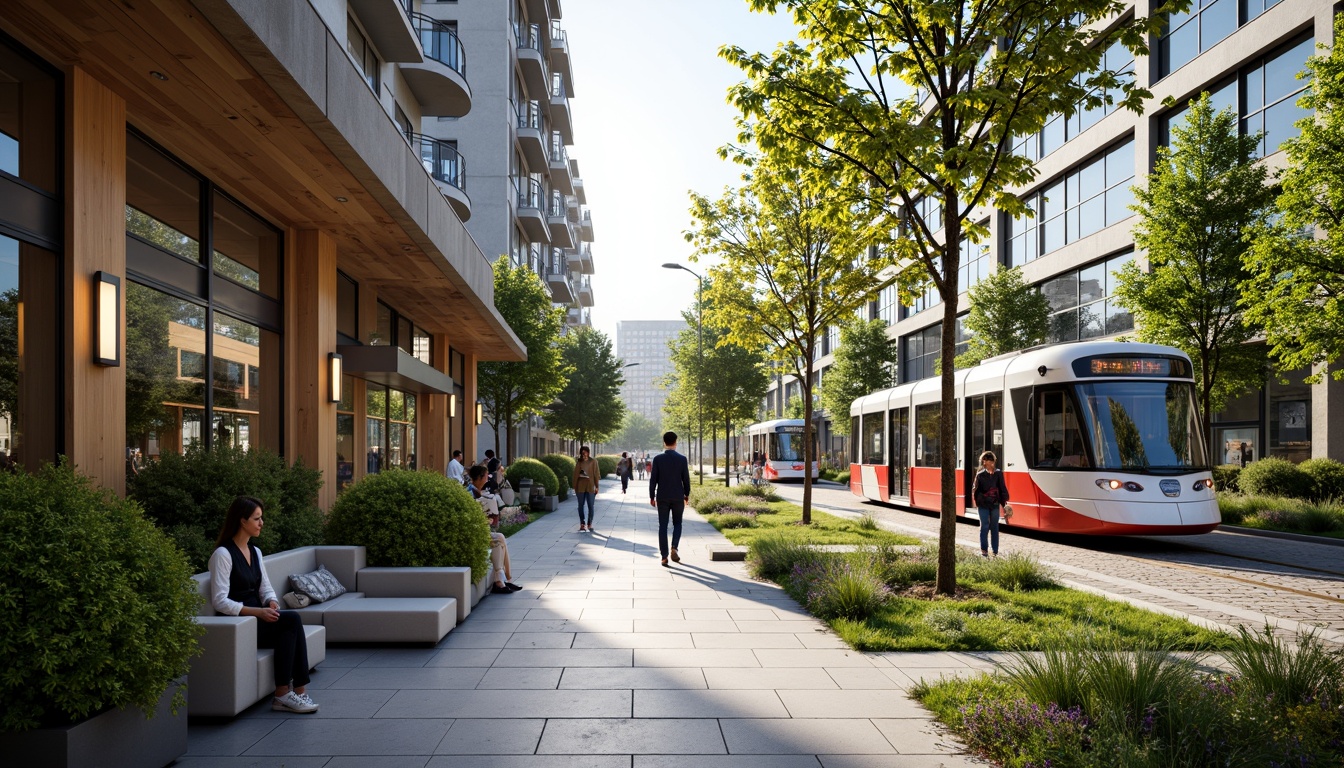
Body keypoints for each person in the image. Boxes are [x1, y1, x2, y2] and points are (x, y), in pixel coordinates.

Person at [208, 496, 319, 713]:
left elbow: (265, 587)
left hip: (259, 617)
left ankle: (292, 694)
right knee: (292, 621)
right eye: (257, 519)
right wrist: (257, 612)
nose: (261, 523)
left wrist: (272, 601)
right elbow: (219, 601)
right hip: (239, 623)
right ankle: (289, 694)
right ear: (242, 521)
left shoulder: (255, 551)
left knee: (290, 625)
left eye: (261, 518)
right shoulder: (222, 555)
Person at [468, 465, 522, 594]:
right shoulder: (470, 493)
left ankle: (505, 580)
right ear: (480, 477)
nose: (488, 477)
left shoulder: (477, 491)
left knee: (501, 537)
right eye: (486, 475)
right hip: (473, 533)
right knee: (497, 541)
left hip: (480, 530)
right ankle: (501, 581)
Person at [649, 431, 691, 567]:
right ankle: (674, 547)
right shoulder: (682, 459)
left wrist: (651, 496)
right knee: (677, 523)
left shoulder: (658, 459)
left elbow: (653, 479)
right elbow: (686, 479)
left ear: (664, 442)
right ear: (675, 442)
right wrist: (686, 494)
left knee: (663, 526)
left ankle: (664, 556)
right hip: (678, 496)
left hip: (662, 496)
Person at [971, 450, 1010, 558]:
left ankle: (995, 552)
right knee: (984, 527)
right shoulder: (980, 475)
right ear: (984, 462)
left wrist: (1005, 504)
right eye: (989, 461)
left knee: (994, 527)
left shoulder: (998, 474)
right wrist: (980, 501)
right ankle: (984, 551)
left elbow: (1002, 489)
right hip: (983, 505)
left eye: (992, 461)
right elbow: (975, 491)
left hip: (994, 504)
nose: (991, 463)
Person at [572, 446, 599, 532]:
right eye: (582, 453)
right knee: (580, 505)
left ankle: (589, 523)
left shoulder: (593, 461)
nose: (584, 454)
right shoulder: (579, 462)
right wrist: (575, 486)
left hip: (590, 486)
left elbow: (596, 474)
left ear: (588, 452)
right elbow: (576, 474)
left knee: (591, 505)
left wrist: (597, 486)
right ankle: (582, 523)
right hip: (580, 486)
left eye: (585, 452)